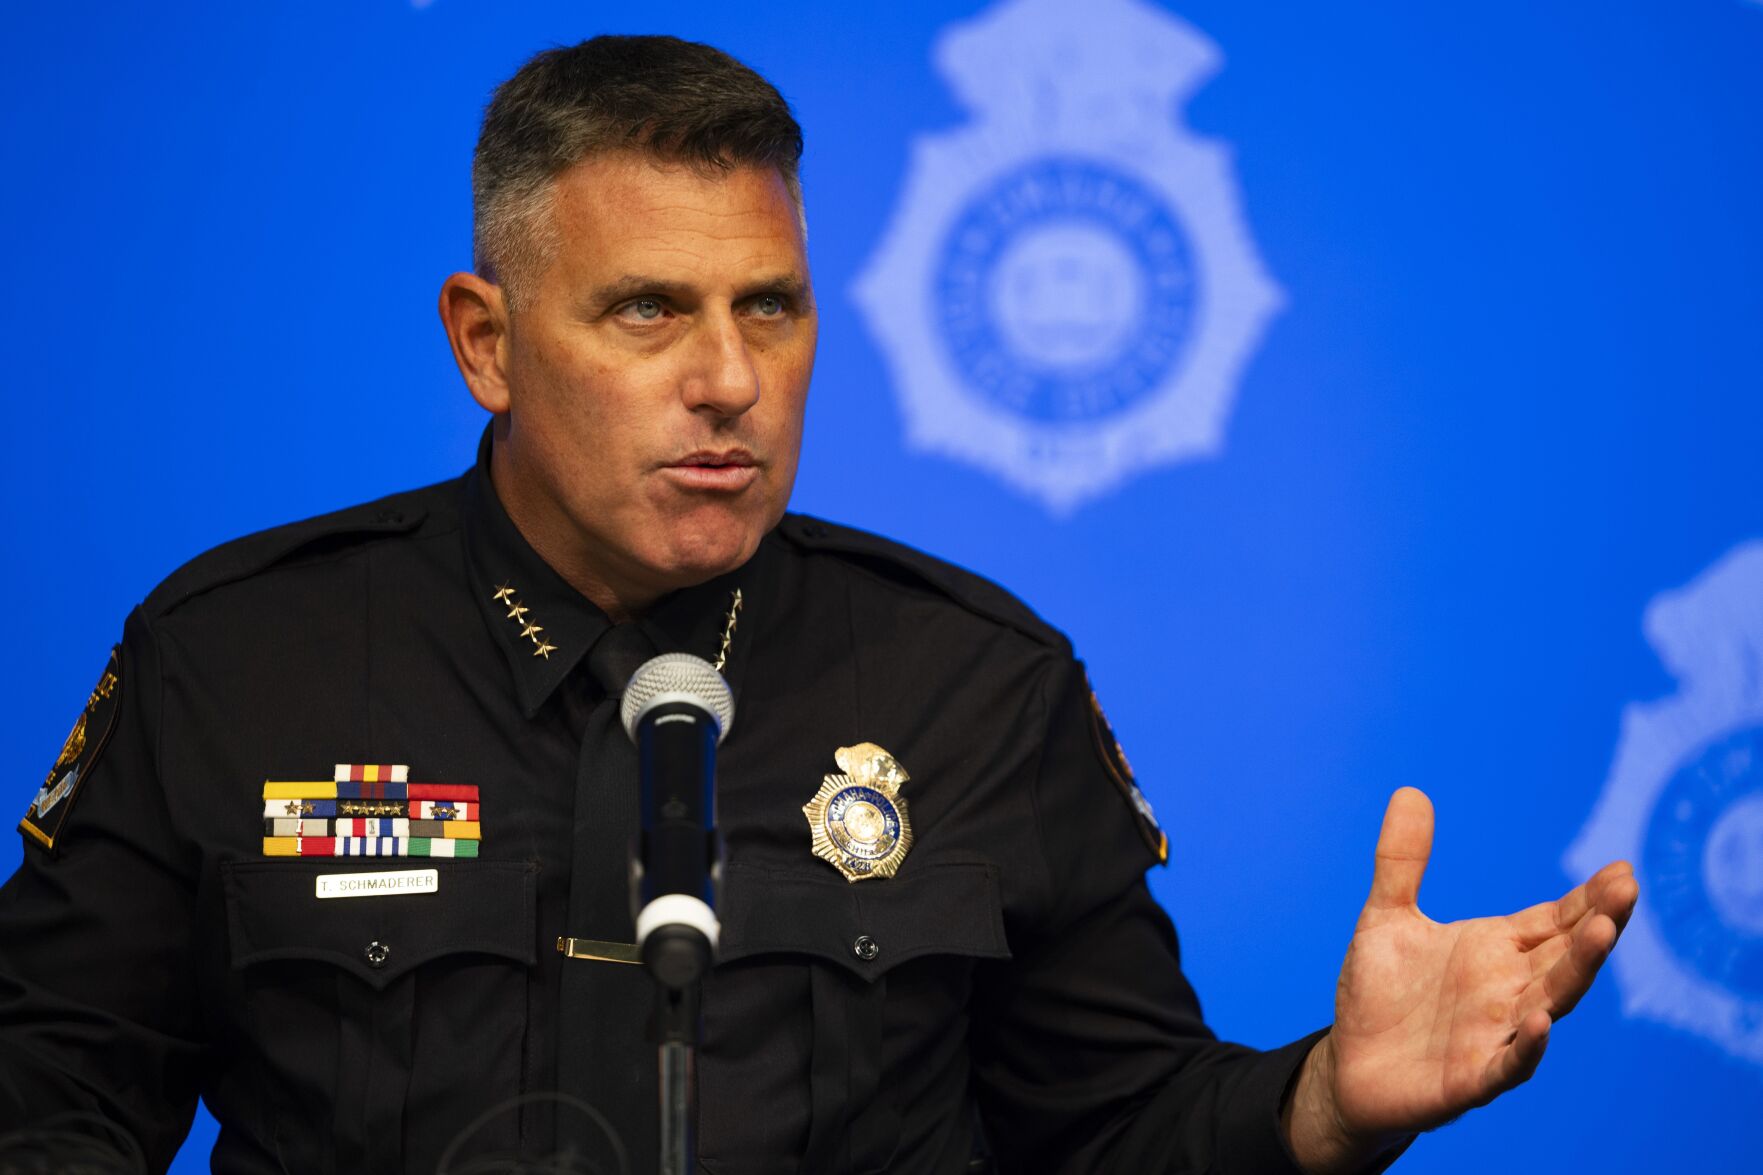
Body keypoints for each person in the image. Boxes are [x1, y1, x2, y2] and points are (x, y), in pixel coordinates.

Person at [0, 34, 1637, 1175]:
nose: (728, 379)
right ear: (486, 342)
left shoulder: (976, 685)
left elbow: (1115, 1134)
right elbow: (48, 1094)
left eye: (769, 309)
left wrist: (1329, 1106)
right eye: (648, 312)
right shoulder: (242, 660)